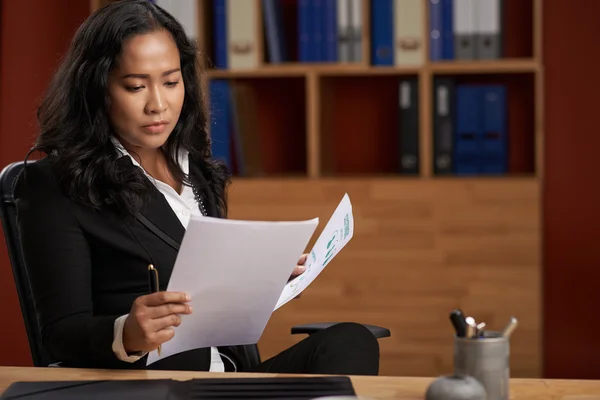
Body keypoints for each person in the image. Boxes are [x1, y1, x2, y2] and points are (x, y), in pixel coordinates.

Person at [13, 0, 379, 375]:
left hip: (230, 380)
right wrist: (126, 333)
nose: (158, 104)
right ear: (97, 88)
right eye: (136, 86)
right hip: (156, 385)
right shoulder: (52, 184)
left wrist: (262, 277)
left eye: (171, 82)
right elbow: (59, 334)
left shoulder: (194, 165)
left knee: (350, 339)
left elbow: (205, 288)